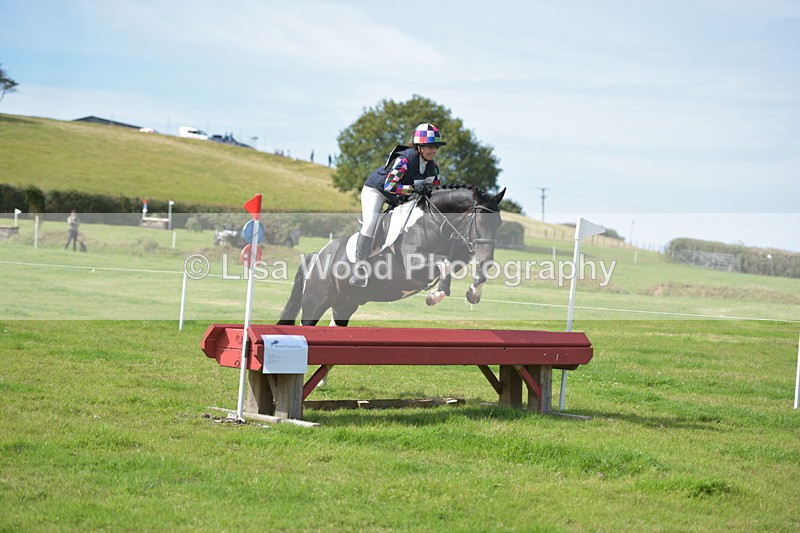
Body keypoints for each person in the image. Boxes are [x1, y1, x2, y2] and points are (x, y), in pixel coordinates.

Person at [349, 122, 445, 287]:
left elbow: (434, 191)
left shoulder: (433, 167)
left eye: (435, 147)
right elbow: (390, 186)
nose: (433, 150)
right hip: (377, 191)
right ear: (419, 147)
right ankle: (359, 269)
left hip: (400, 197)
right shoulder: (404, 160)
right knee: (371, 224)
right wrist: (414, 188)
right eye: (429, 146)